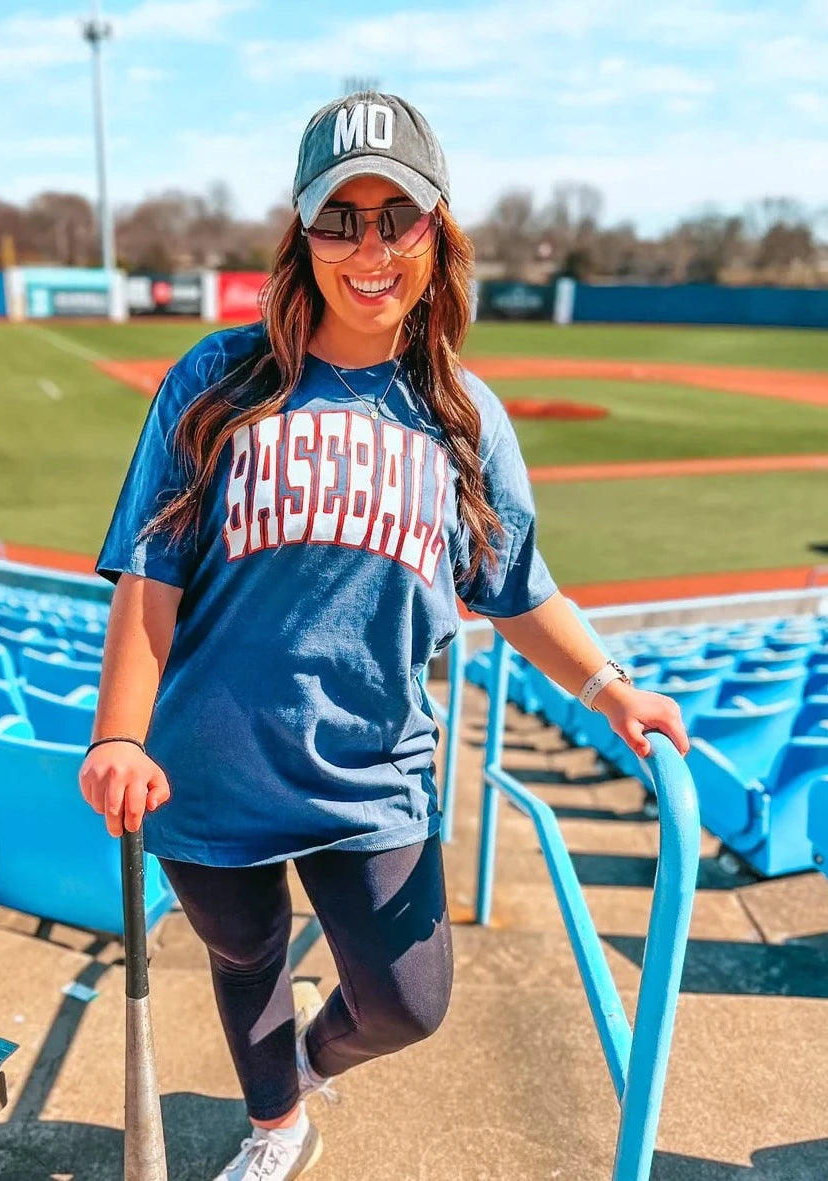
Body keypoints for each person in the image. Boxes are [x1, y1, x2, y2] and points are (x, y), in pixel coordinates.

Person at [81, 90, 690, 1181]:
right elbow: (149, 573)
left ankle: (299, 1065)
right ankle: (274, 1120)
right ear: (301, 235)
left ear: (436, 230)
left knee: (409, 1003)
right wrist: (117, 734)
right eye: (338, 219)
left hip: (372, 773)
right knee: (244, 951)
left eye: (395, 216)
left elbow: (514, 588)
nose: (369, 247)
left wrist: (610, 685)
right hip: (208, 766)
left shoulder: (461, 414)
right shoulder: (216, 382)